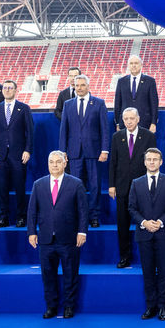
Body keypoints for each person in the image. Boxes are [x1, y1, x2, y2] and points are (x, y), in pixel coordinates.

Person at [27, 151, 89, 319]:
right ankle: (51, 307)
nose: (54, 165)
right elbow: (32, 211)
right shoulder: (38, 185)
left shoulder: (76, 184)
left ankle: (69, 306)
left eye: (57, 162)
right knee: (48, 275)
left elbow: (83, 211)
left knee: (70, 274)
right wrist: (32, 232)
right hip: (46, 239)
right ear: (48, 164)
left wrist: (82, 231)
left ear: (64, 163)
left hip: (69, 238)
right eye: (51, 162)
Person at [130, 148, 165, 320]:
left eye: (155, 159)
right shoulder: (136, 183)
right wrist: (144, 222)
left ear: (160, 162)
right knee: (148, 272)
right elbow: (132, 208)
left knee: (164, 271)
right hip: (144, 234)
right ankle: (150, 306)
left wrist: (159, 222)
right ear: (144, 162)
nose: (152, 162)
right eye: (149, 159)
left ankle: (163, 307)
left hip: (164, 233)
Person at [58, 74, 110, 228]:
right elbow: (64, 130)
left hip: (94, 152)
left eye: (82, 85)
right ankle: (78, 217)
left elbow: (104, 129)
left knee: (95, 186)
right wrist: (62, 152)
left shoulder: (99, 103)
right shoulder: (68, 104)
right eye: (76, 85)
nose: (79, 88)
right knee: (75, 186)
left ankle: (94, 216)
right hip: (74, 153)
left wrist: (105, 150)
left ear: (88, 86)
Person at [109, 108, 156, 268]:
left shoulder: (148, 136)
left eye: (131, 118)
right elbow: (113, 163)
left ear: (138, 119)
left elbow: (153, 162)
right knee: (122, 224)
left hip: (142, 186)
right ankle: (124, 257)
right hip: (121, 187)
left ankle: (147, 258)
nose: (128, 121)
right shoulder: (117, 137)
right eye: (126, 119)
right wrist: (111, 185)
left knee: (144, 222)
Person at [0, 80, 34, 227]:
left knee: (20, 187)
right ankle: (4, 217)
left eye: (10, 88)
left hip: (19, 155)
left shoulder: (24, 108)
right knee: (1, 188)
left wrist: (28, 150)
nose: (7, 90)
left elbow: (30, 132)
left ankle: (21, 217)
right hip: (0, 156)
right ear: (2, 91)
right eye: (5, 88)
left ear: (15, 90)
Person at [114, 55, 160, 132]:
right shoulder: (121, 81)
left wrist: (153, 123)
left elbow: (154, 103)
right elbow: (117, 103)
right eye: (131, 63)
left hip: (145, 124)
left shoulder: (150, 81)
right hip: (125, 124)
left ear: (141, 65)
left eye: (136, 63)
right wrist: (118, 123)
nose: (134, 65)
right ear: (128, 66)